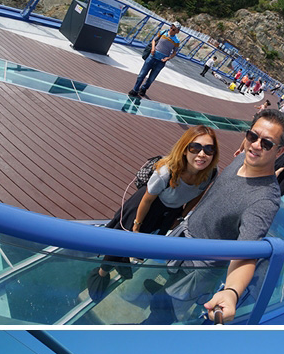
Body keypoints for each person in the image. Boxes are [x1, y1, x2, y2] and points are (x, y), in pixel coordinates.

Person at [159, 109, 284, 323]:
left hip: (200, 266)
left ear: (279, 150)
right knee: (162, 285)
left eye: (266, 143)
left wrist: (231, 291)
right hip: (182, 238)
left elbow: (247, 252)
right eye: (252, 136)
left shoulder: (265, 200)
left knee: (165, 313)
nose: (256, 145)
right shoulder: (242, 160)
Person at [90, 126, 220, 299]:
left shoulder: (210, 173)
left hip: (171, 211)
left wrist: (181, 215)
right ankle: (101, 273)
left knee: (144, 244)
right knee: (124, 239)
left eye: (209, 149)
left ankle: (123, 262)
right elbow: (147, 199)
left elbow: (197, 196)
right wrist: (136, 225)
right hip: (146, 206)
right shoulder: (167, 171)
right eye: (195, 148)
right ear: (184, 149)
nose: (202, 154)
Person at [129, 21, 182, 98]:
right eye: (171, 27)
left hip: (161, 61)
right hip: (152, 56)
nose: (171, 30)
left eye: (174, 29)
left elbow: (174, 52)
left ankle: (143, 89)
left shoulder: (176, 41)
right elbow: (154, 40)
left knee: (151, 78)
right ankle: (135, 89)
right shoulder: (163, 32)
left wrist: (168, 58)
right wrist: (153, 49)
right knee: (141, 75)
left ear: (177, 31)